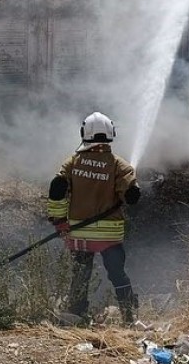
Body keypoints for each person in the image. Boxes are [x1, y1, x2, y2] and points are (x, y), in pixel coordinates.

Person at [46, 112, 143, 325]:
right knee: (118, 274)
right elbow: (132, 198)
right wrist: (131, 187)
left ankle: (77, 313)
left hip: (80, 234)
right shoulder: (121, 166)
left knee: (80, 274)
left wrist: (59, 220)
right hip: (110, 236)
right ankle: (128, 316)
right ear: (111, 134)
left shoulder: (73, 162)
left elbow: (57, 188)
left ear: (84, 133)